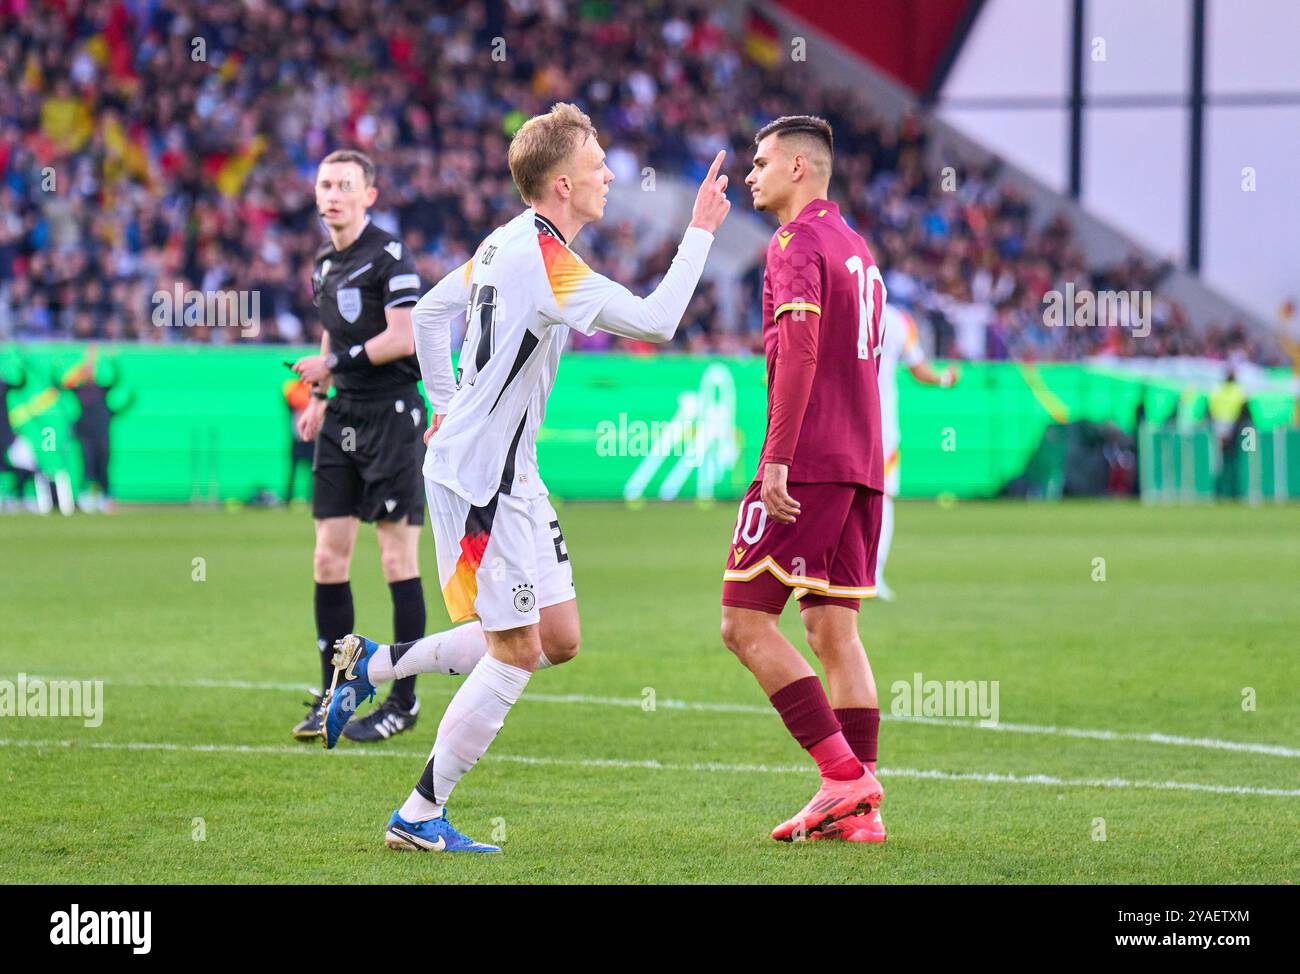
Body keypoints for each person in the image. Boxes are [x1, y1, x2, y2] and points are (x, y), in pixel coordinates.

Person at [316, 102, 730, 853]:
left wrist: (447, 405)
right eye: (598, 162)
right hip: (484, 486)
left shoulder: (507, 240)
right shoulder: (549, 264)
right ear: (562, 183)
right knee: (514, 648)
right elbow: (660, 321)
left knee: (557, 638)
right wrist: (701, 227)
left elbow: (436, 315)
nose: (610, 174)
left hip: (509, 475)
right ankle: (417, 815)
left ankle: (371, 663)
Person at [720, 115, 886, 844]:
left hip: (808, 462)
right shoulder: (858, 249)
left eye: (759, 162)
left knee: (744, 622)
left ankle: (844, 778)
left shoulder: (795, 242)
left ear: (796, 168)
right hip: (862, 465)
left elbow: (800, 352)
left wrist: (778, 458)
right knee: (832, 629)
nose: (750, 175)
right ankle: (861, 815)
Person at [288, 149, 427, 743]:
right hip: (343, 414)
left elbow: (404, 337)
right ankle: (333, 693)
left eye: (346, 184)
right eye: (325, 184)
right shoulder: (324, 260)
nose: (333, 194)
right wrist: (320, 395)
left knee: (396, 560)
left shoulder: (390, 255)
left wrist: (332, 364)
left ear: (369, 194)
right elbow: (332, 328)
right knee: (327, 558)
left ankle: (404, 699)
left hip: (393, 416)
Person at [875, 302, 958, 600]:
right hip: (880, 424)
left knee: (836, 495)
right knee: (881, 498)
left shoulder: (836, 307)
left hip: (837, 420)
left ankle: (823, 573)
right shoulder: (898, 320)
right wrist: (944, 379)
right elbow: (919, 369)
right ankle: (873, 574)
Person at [281, 377, 314, 504]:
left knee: (313, 471)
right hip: (297, 438)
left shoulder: (312, 390)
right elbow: (289, 398)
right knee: (293, 470)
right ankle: (288, 498)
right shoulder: (293, 388)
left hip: (311, 438)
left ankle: (312, 498)